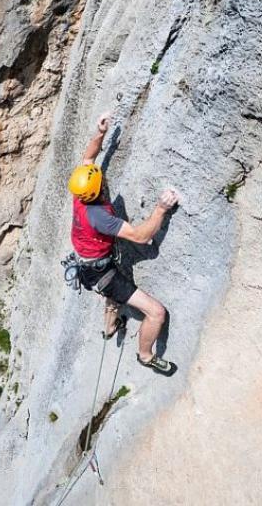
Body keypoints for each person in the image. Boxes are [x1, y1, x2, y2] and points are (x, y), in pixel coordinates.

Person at [67, 112, 179, 375]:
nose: (103, 178)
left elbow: (88, 159)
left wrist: (100, 133)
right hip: (102, 271)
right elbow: (141, 237)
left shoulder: (80, 191)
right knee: (156, 313)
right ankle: (145, 355)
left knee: (111, 295)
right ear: (98, 188)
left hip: (89, 266)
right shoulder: (100, 217)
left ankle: (109, 328)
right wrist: (161, 209)